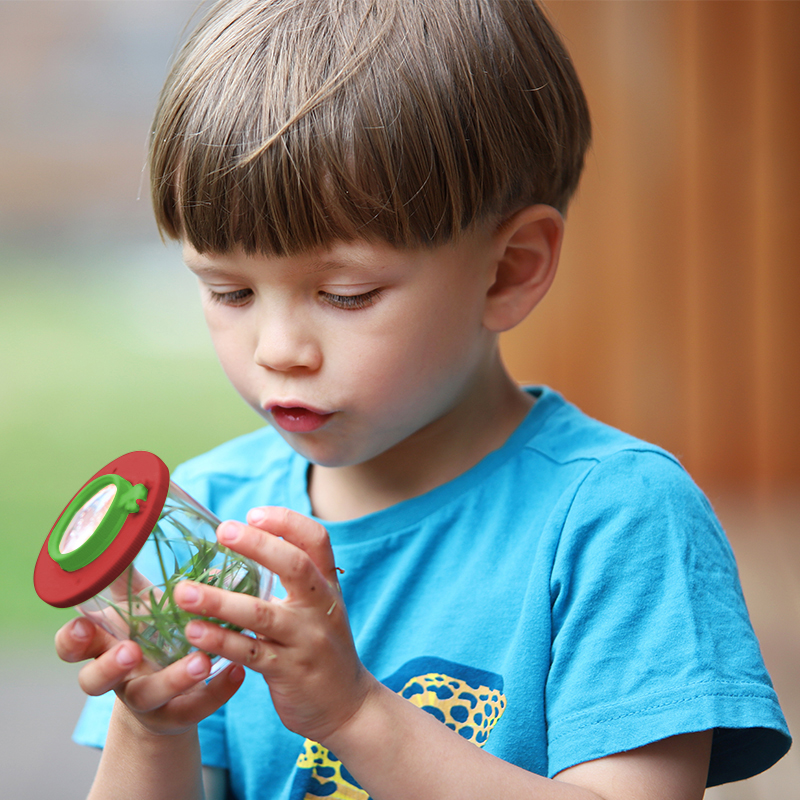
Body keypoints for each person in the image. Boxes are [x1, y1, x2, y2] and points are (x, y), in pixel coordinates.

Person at [55, 1, 790, 799]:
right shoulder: (220, 522)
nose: (276, 350)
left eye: (345, 292)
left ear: (507, 270)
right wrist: (152, 724)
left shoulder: (614, 520)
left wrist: (356, 716)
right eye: (229, 290)